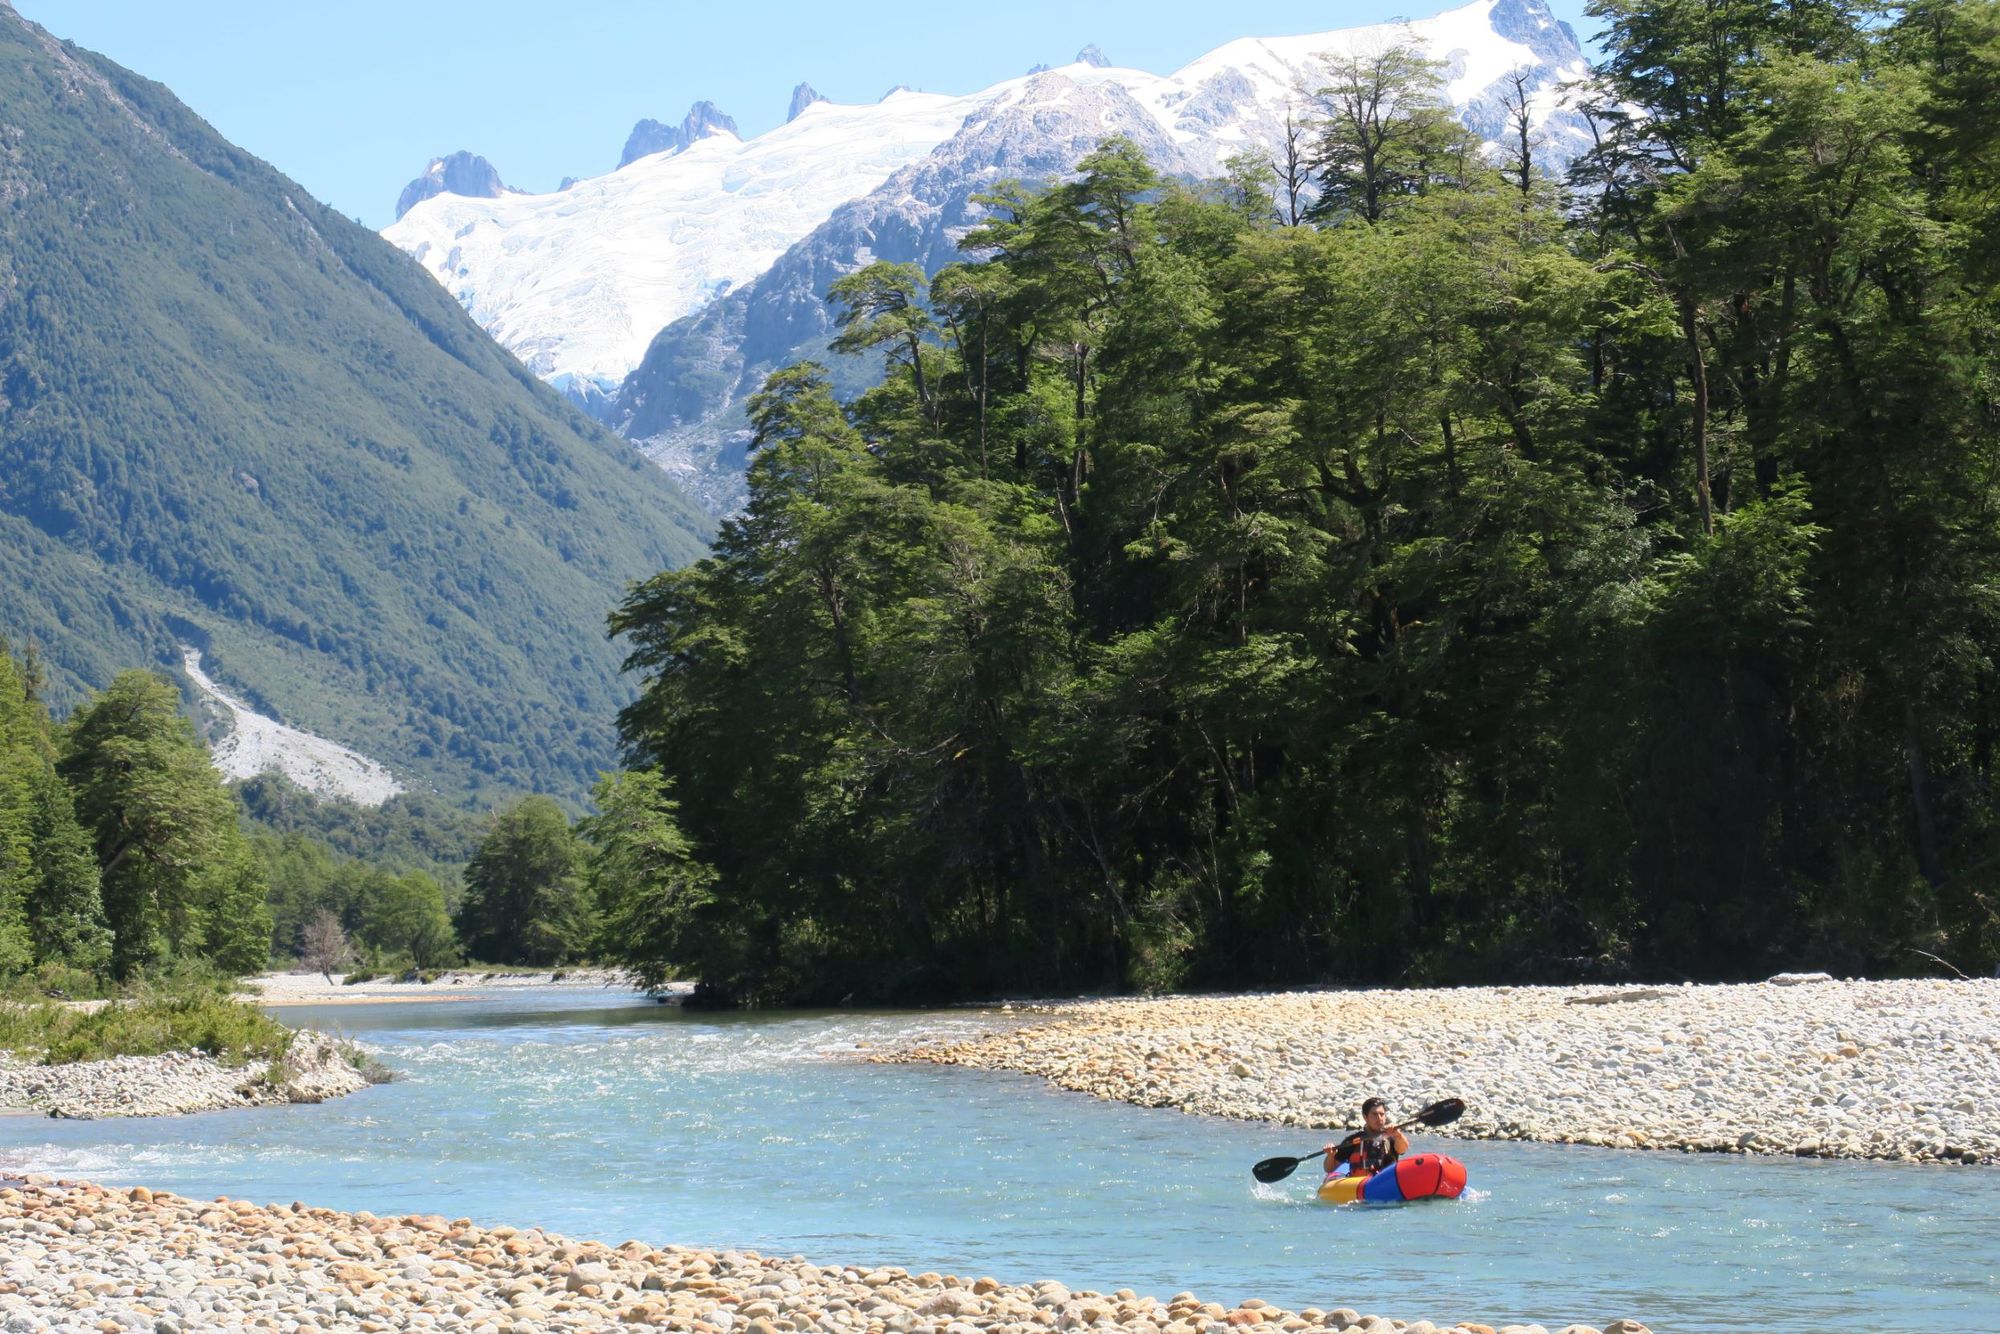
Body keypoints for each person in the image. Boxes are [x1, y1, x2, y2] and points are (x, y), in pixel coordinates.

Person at [1323, 1096, 1409, 1179]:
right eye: (1374, 1114)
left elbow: (1402, 1149)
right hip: (1362, 1186)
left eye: (1382, 1114)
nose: (1379, 1118)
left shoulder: (1392, 1137)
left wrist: (1399, 1135)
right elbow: (1329, 1169)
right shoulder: (1354, 1141)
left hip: (1387, 1183)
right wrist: (1331, 1155)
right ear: (1365, 1117)